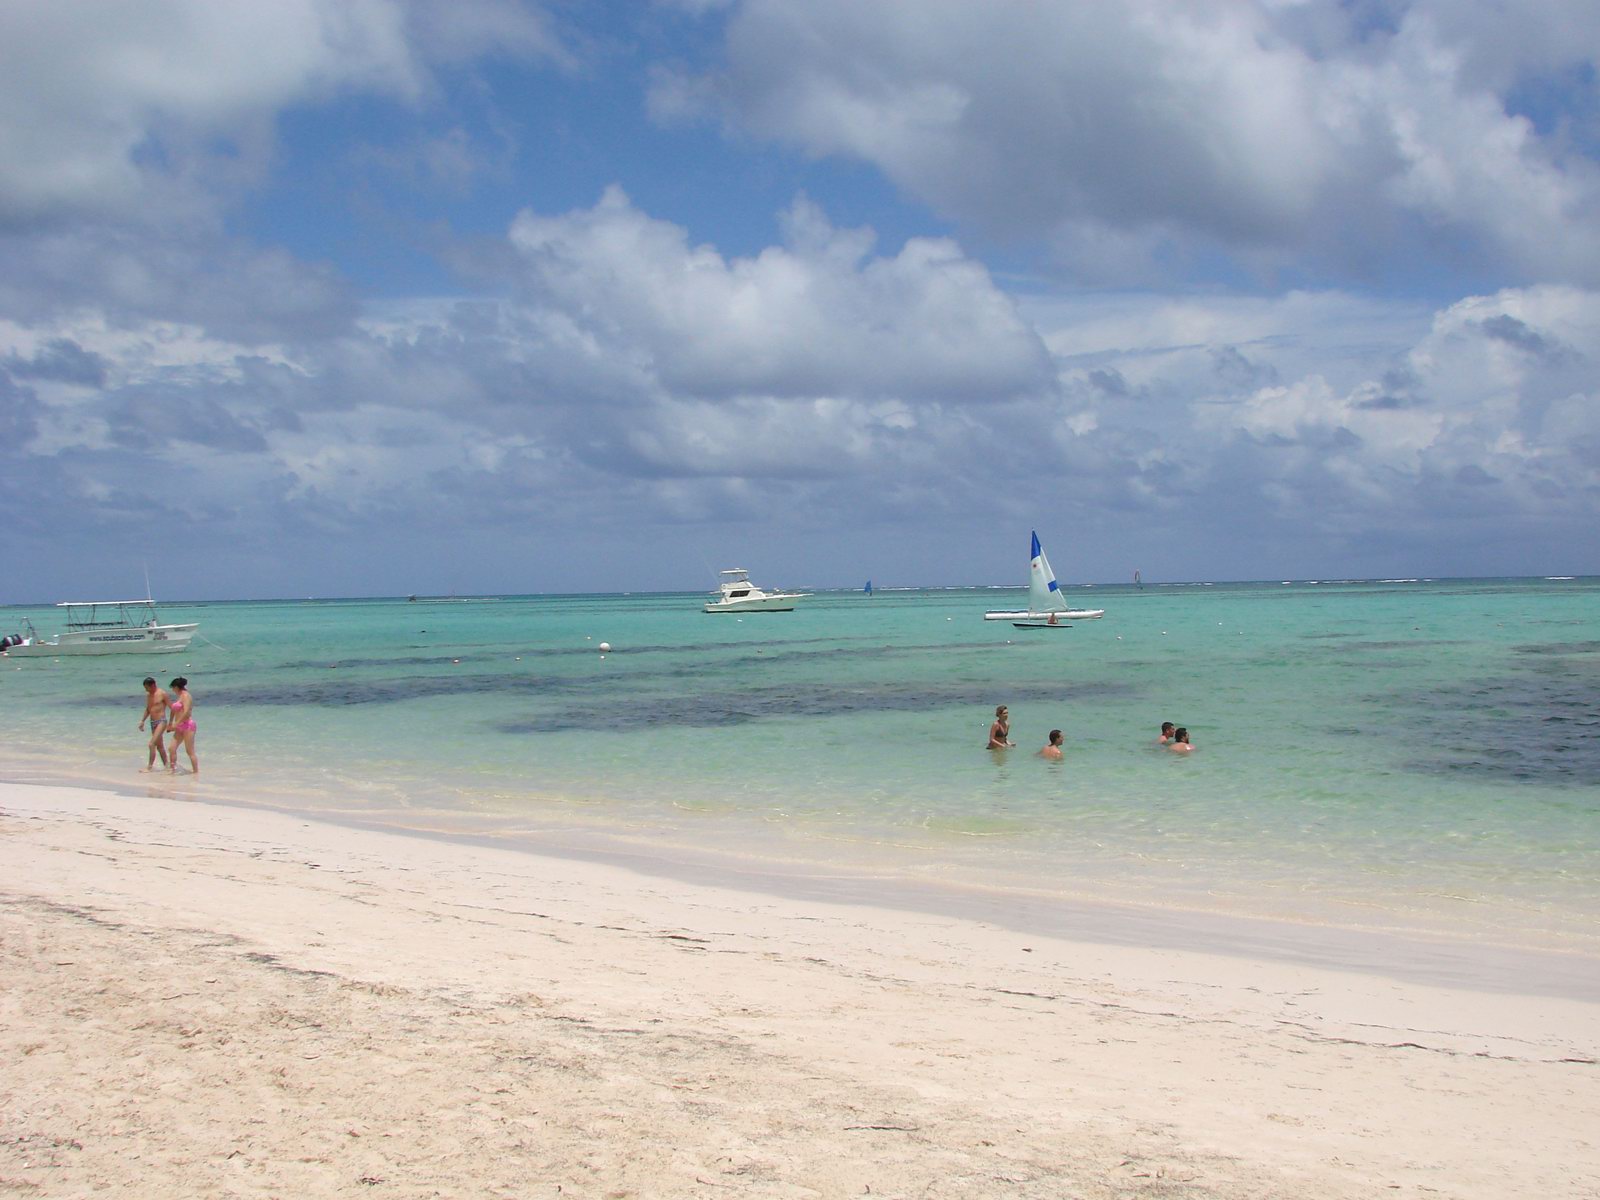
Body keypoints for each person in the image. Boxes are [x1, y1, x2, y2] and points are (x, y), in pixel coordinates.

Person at [166, 676, 199, 775]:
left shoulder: (186, 696)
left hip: (188, 726)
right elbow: (173, 710)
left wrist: (176, 723)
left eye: (173, 687)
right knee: (171, 748)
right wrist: (170, 723)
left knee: (189, 751)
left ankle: (195, 772)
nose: (172, 690)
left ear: (176, 687)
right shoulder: (179, 696)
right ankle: (172, 769)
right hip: (179, 726)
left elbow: (187, 712)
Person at [138, 677, 169, 772]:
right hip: (153, 722)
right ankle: (168, 767)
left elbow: (171, 706)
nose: (146, 690)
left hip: (161, 721)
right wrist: (142, 721)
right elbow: (148, 709)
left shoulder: (162, 693)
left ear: (153, 685)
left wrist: (173, 722)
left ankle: (149, 767)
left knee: (151, 744)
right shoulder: (149, 695)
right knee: (160, 747)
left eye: (147, 688)